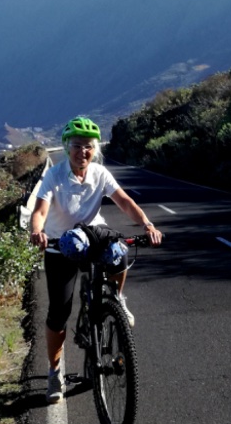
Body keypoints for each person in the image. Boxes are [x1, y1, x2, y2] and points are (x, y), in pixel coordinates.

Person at [30, 115, 162, 403]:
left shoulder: (100, 173)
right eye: (77, 146)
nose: (83, 152)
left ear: (95, 149)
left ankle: (117, 298)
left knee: (120, 251)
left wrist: (147, 224)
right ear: (67, 147)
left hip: (92, 238)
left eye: (88, 147)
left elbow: (124, 202)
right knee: (58, 314)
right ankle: (54, 373)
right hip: (58, 247)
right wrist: (37, 231)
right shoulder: (55, 175)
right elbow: (40, 210)